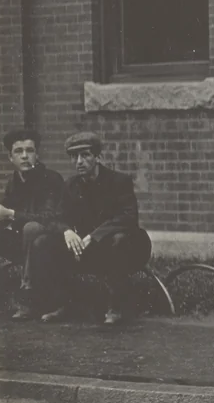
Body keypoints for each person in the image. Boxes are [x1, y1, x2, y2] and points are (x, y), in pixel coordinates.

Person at [47, 132, 153, 325]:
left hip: (128, 247)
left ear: (98, 157)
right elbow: (56, 218)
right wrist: (67, 231)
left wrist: (94, 236)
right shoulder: (71, 185)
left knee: (118, 239)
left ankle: (116, 306)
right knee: (51, 239)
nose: (79, 161)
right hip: (91, 249)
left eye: (85, 155)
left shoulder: (119, 182)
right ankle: (67, 303)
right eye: (74, 156)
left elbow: (128, 217)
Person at [0, 128, 68, 320]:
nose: (25, 156)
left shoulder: (51, 179)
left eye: (30, 151)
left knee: (31, 228)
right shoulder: (14, 181)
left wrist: (10, 214)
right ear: (10, 157)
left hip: (50, 241)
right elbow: (5, 207)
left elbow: (48, 218)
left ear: (37, 154)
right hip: (24, 243)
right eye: (18, 152)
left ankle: (29, 295)